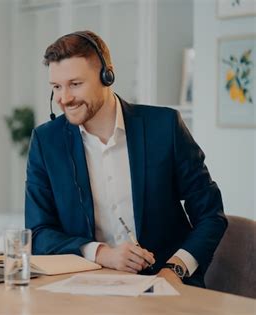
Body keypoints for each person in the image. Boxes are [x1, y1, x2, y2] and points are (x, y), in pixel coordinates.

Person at [25, 30, 227, 287]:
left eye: (75, 84)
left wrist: (174, 270)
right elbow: (38, 233)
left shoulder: (164, 128)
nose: (64, 99)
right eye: (56, 87)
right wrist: (102, 254)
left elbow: (211, 215)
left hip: (165, 284)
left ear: (107, 76)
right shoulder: (46, 142)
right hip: (86, 287)